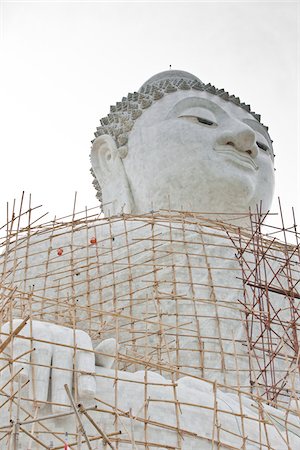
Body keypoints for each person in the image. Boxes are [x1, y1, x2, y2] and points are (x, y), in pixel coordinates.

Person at [0, 71, 298, 449]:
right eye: (201, 120)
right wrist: (24, 338)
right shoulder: (49, 252)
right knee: (42, 391)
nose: (244, 143)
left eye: (262, 144)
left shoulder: (290, 268)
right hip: (127, 418)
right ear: (110, 159)